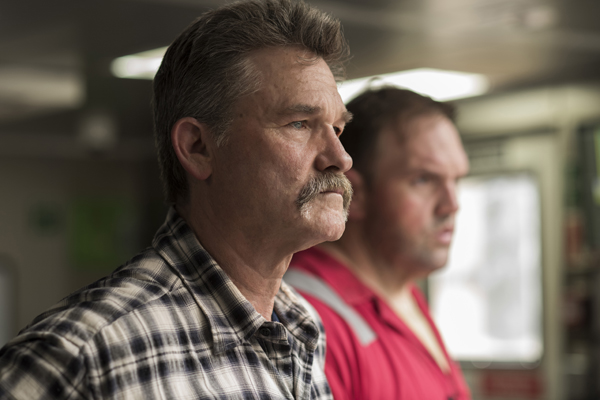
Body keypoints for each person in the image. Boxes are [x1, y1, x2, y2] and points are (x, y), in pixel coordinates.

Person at [0, 1, 354, 398]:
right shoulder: (82, 357)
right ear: (198, 147)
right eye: (299, 124)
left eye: (337, 128)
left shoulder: (302, 326)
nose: (340, 158)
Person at [285, 87, 472, 399]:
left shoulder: (402, 290)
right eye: (423, 180)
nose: (451, 204)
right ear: (353, 194)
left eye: (457, 180)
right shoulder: (311, 321)